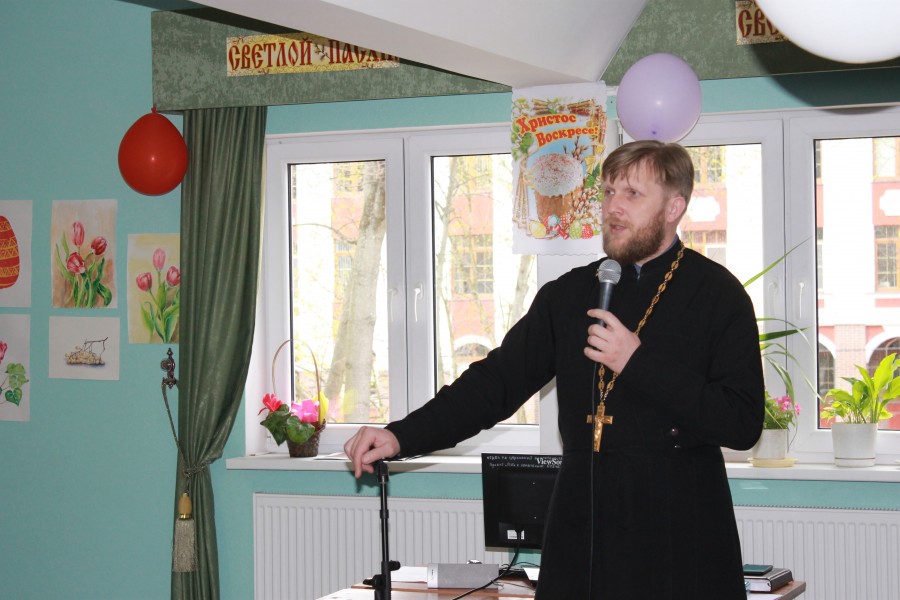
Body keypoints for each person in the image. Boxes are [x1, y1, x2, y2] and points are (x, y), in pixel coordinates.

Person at [344, 140, 765, 599]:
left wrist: (637, 362)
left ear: (674, 208)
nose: (613, 208)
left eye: (632, 194)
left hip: (677, 525)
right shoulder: (569, 294)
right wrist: (401, 435)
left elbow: (741, 423)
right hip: (583, 517)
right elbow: (495, 383)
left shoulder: (718, 295)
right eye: (608, 192)